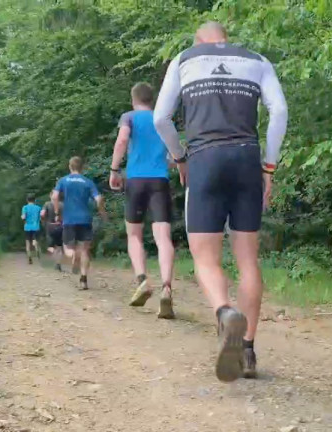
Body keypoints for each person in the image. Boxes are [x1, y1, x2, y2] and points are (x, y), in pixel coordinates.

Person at [153, 21, 288, 382]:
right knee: (248, 260)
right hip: (246, 158)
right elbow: (279, 112)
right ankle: (247, 351)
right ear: (226, 38)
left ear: (200, 40)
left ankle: (224, 312)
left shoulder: (185, 60)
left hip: (204, 159)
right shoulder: (257, 60)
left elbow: (160, 118)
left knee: (205, 257)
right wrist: (268, 167)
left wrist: (179, 158)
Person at [109, 82, 176, 320]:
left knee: (135, 235)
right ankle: (166, 287)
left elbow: (122, 141)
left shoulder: (129, 117)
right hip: (160, 181)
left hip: (136, 180)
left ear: (133, 98)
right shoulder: (162, 119)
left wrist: (114, 169)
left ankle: (143, 281)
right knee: (163, 236)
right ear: (153, 98)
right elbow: (174, 154)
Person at [52, 156, 106, 290]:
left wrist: (57, 213)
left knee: (67, 248)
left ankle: (74, 255)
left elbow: (54, 196)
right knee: (85, 250)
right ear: (82, 167)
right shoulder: (88, 182)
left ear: (70, 166)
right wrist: (101, 212)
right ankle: (83, 280)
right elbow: (98, 199)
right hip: (85, 219)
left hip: (69, 219)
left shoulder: (63, 180)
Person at [41, 183, 64, 272]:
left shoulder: (47, 204)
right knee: (59, 247)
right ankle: (58, 263)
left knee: (50, 247)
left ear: (51, 195)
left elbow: (42, 214)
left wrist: (42, 220)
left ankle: (55, 260)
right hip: (61, 226)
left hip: (50, 227)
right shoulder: (62, 205)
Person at [21, 194, 42, 265]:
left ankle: (29, 257)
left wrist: (22, 217)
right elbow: (41, 217)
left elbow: (23, 217)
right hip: (36, 227)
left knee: (27, 243)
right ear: (35, 200)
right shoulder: (38, 208)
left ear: (27, 200)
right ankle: (36, 249)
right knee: (35, 240)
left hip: (27, 227)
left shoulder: (25, 207)